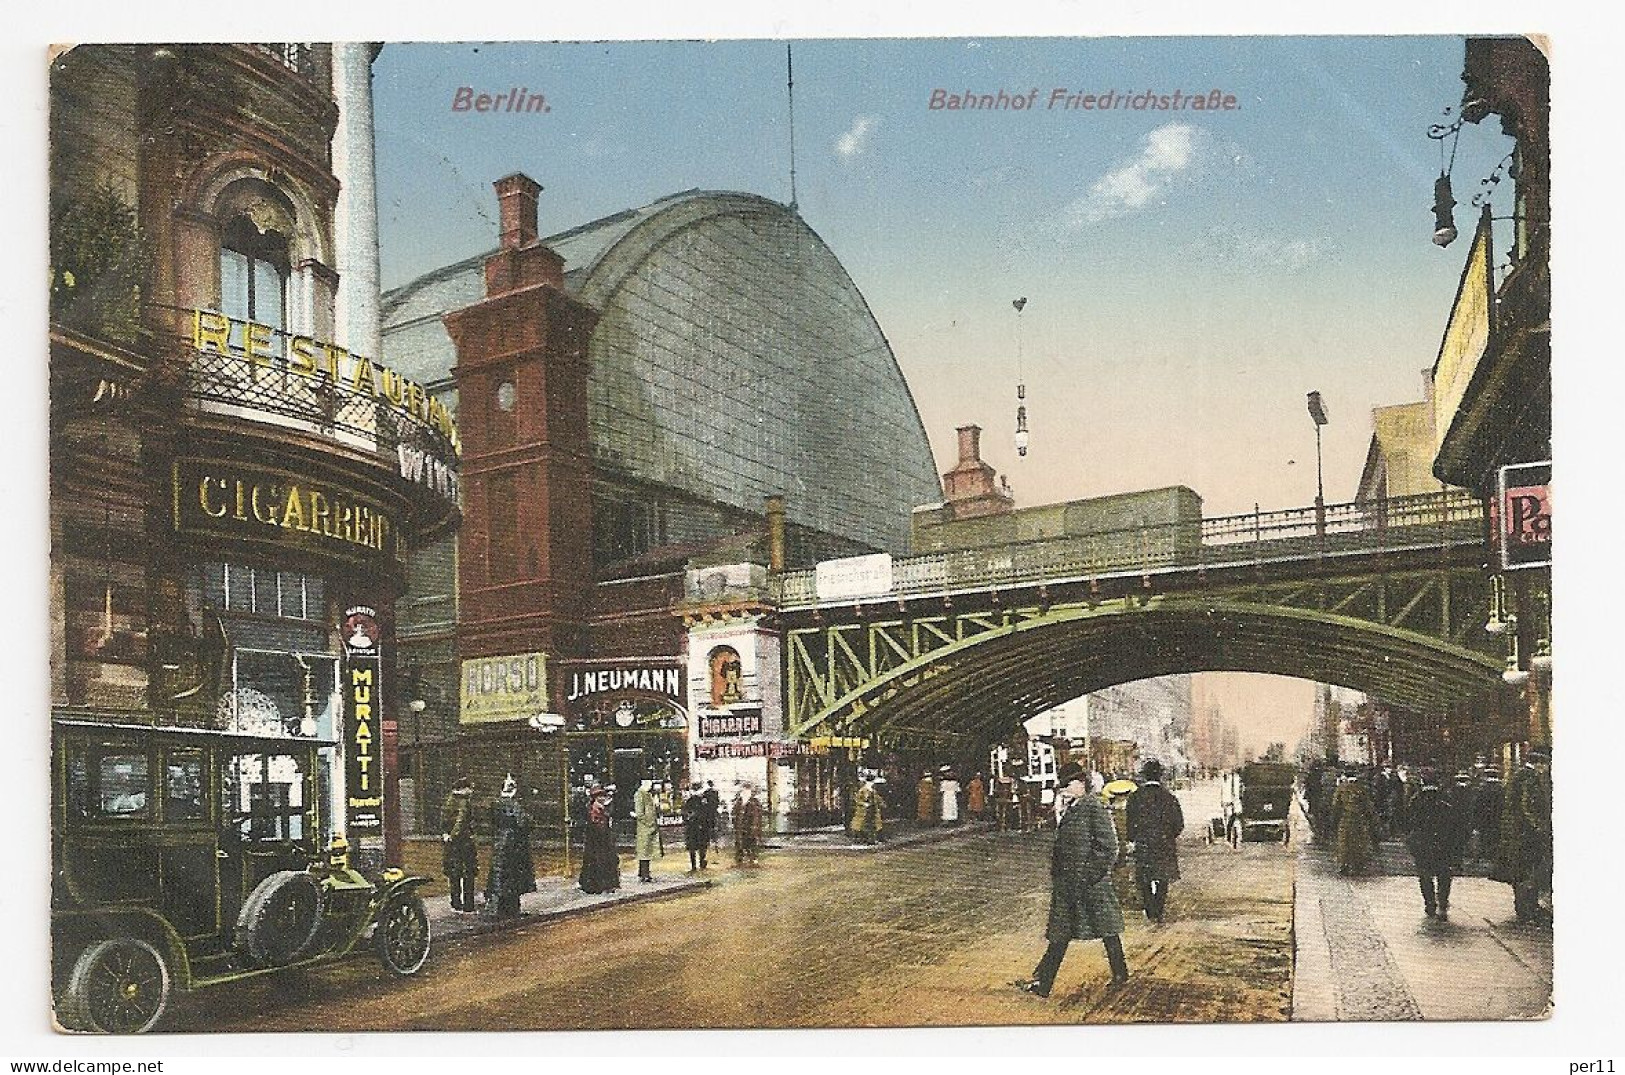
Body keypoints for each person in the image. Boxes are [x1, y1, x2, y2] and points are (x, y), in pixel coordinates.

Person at [1013, 762, 1129, 998]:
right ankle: (1042, 982)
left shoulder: (1093, 807)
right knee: (1062, 933)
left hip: (1089, 884)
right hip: (1070, 883)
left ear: (1080, 784)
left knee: (1105, 930)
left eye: (1067, 785)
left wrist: (1090, 876)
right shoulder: (1075, 807)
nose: (1063, 790)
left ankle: (1119, 973)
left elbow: (1109, 847)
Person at [1497, 746, 1552, 925]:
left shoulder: (1519, 775)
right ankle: (1528, 909)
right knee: (1529, 871)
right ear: (1539, 763)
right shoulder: (1529, 778)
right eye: (1545, 764)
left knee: (1522, 871)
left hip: (1515, 833)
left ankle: (1525, 908)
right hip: (1526, 834)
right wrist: (1540, 829)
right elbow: (1528, 807)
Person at [1126, 759, 1185, 925]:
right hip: (1164, 843)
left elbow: (1130, 823)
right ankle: (1158, 910)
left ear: (1144, 776)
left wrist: (1132, 838)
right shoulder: (1169, 798)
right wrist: (1169, 836)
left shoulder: (1135, 797)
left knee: (1144, 877)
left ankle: (1150, 909)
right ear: (1161, 776)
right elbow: (1179, 824)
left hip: (1144, 843)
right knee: (1162, 877)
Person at [1405, 769, 1465, 919]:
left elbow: (1409, 822)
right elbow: (1456, 822)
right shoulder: (1446, 798)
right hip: (1443, 842)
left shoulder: (1416, 799)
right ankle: (1443, 902)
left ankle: (1430, 903)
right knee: (1444, 874)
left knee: (1425, 875)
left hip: (1423, 842)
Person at [484, 774, 535, 917]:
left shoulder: (495, 803)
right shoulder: (514, 805)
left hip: (500, 841)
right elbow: (523, 822)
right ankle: (512, 909)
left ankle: (499, 907)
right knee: (513, 876)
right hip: (514, 843)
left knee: (499, 874)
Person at [440, 774, 478, 912]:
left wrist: (446, 834)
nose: (471, 791)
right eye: (470, 788)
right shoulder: (464, 802)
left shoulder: (449, 800)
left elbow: (443, 819)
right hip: (464, 842)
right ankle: (469, 905)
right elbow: (461, 821)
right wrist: (454, 835)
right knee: (469, 873)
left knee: (454, 874)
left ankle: (455, 902)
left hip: (451, 843)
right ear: (464, 788)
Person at [1330, 768, 1378, 876]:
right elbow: (1368, 806)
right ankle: (1358, 865)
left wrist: (1333, 821)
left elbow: (1335, 805)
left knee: (1344, 841)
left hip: (1345, 818)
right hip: (1359, 819)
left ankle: (1344, 865)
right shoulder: (1362, 788)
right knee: (1359, 842)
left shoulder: (1341, 788)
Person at [579, 784, 621, 894]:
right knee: (599, 862)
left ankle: (604, 884)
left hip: (600, 840)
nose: (602, 798)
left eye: (603, 796)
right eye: (600, 796)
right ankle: (598, 885)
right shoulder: (596, 808)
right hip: (598, 840)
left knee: (604, 861)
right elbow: (598, 824)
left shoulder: (600, 807)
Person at [1473, 768, 1504, 865]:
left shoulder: (1482, 789)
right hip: (1497, 817)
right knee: (1495, 837)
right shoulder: (1501, 789)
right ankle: (1493, 856)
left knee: (1484, 837)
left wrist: (1477, 820)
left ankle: (1484, 856)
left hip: (1484, 818)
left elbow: (1477, 806)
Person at [634, 776, 661, 882]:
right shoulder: (640, 794)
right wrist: (649, 823)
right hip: (645, 827)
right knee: (644, 850)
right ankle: (644, 874)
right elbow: (639, 813)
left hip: (650, 827)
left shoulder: (649, 794)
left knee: (648, 851)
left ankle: (644, 873)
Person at [682, 782, 709, 871]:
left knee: (695, 847)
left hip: (694, 827)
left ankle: (696, 865)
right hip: (698, 826)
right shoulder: (702, 800)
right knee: (700, 847)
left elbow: (685, 813)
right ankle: (700, 863)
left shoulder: (692, 800)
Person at [850, 774, 884, 844]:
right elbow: (857, 800)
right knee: (862, 825)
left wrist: (882, 804)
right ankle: (862, 840)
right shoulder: (862, 790)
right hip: (863, 811)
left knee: (874, 825)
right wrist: (864, 804)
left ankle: (872, 840)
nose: (872, 784)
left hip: (873, 810)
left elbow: (877, 799)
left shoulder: (873, 791)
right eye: (870, 782)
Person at [738, 785, 764, 865]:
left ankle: (753, 858)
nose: (743, 793)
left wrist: (754, 826)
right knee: (743, 842)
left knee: (752, 842)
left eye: (746, 792)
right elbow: (736, 813)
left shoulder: (754, 802)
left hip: (751, 827)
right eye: (743, 792)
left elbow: (756, 816)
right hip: (742, 827)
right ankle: (744, 857)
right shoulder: (740, 801)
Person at [702, 780, 722, 856]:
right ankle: (715, 844)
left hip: (709, 812)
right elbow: (717, 801)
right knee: (713, 828)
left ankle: (711, 843)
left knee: (710, 828)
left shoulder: (706, 792)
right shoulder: (714, 792)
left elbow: (704, 802)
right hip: (712, 812)